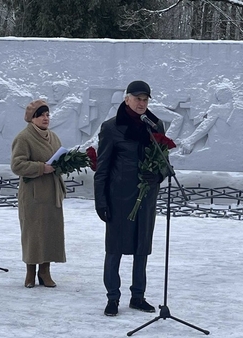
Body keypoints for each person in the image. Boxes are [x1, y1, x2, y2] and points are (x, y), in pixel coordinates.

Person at [93, 80, 167, 316]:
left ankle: (138, 296)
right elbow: (102, 167)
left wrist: (156, 175)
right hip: (119, 197)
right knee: (114, 248)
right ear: (127, 100)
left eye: (145, 100)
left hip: (145, 197)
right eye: (137, 99)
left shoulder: (155, 125)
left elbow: (164, 163)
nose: (142, 104)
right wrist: (101, 201)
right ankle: (112, 297)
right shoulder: (111, 127)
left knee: (141, 248)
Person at [11, 99, 67, 289]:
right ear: (32, 118)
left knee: (50, 232)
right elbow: (17, 165)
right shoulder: (24, 138)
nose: (45, 118)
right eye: (41, 114)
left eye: (47, 114)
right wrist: (41, 167)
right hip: (33, 195)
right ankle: (30, 271)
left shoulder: (54, 137)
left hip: (52, 193)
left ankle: (45, 271)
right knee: (33, 233)